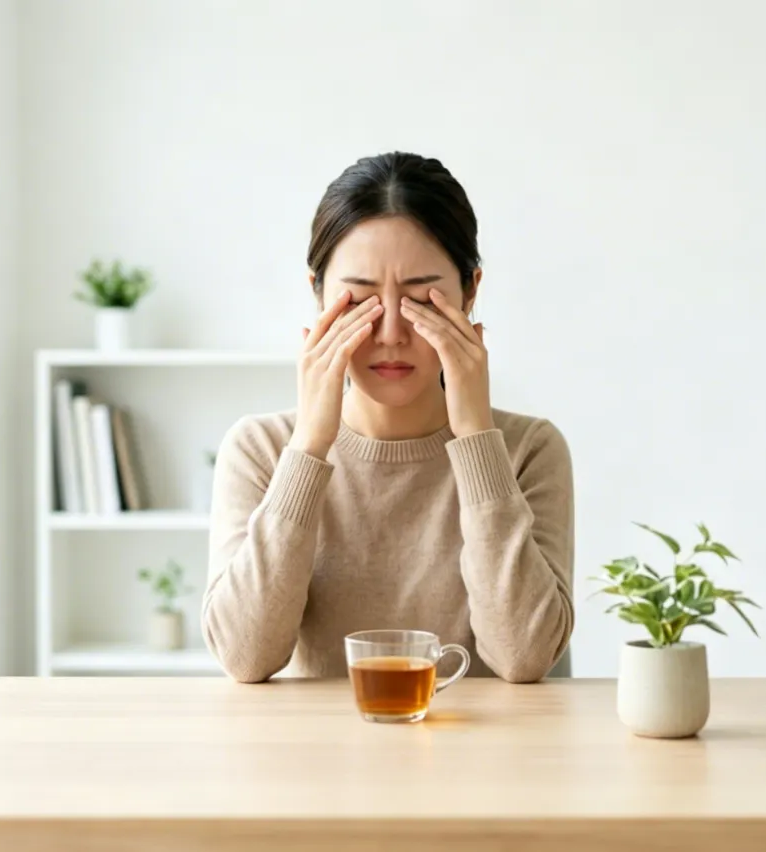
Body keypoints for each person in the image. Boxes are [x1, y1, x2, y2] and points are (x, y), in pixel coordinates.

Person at [202, 151, 574, 684]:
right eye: (362, 300)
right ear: (318, 296)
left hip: (481, 763)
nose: (392, 332)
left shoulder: (528, 449)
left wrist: (474, 437)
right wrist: (309, 445)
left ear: (470, 292)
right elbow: (245, 657)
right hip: (312, 761)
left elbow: (524, 656)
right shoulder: (260, 448)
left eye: (423, 298)